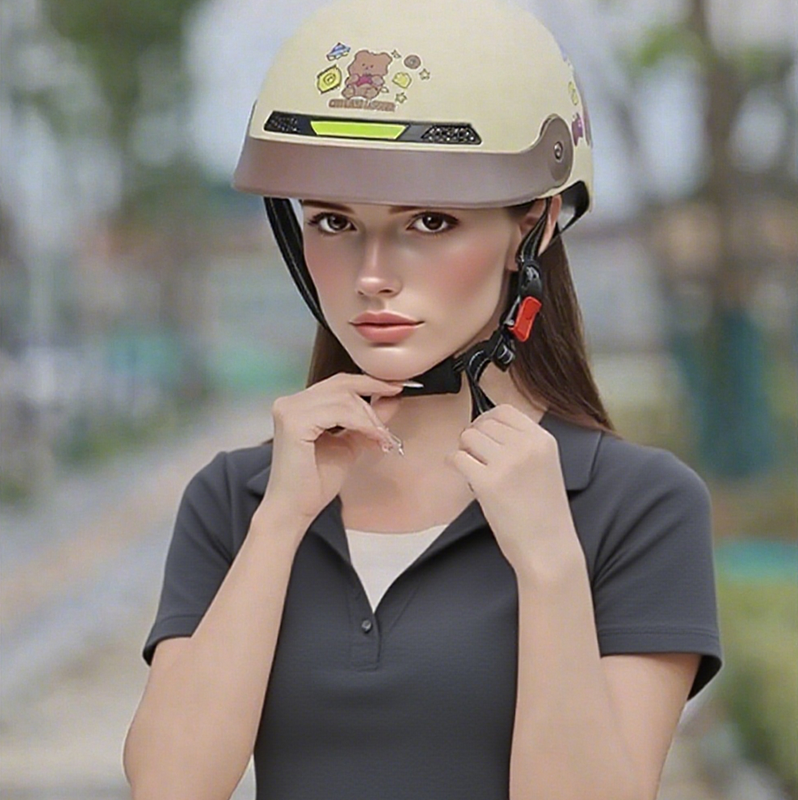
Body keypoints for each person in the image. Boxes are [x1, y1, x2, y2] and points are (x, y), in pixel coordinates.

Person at [123, 1, 722, 798]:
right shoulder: (237, 502)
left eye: (431, 221)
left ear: (534, 227)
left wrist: (548, 562)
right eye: (333, 221)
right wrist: (278, 526)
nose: (372, 273)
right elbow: (169, 786)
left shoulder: (636, 506)